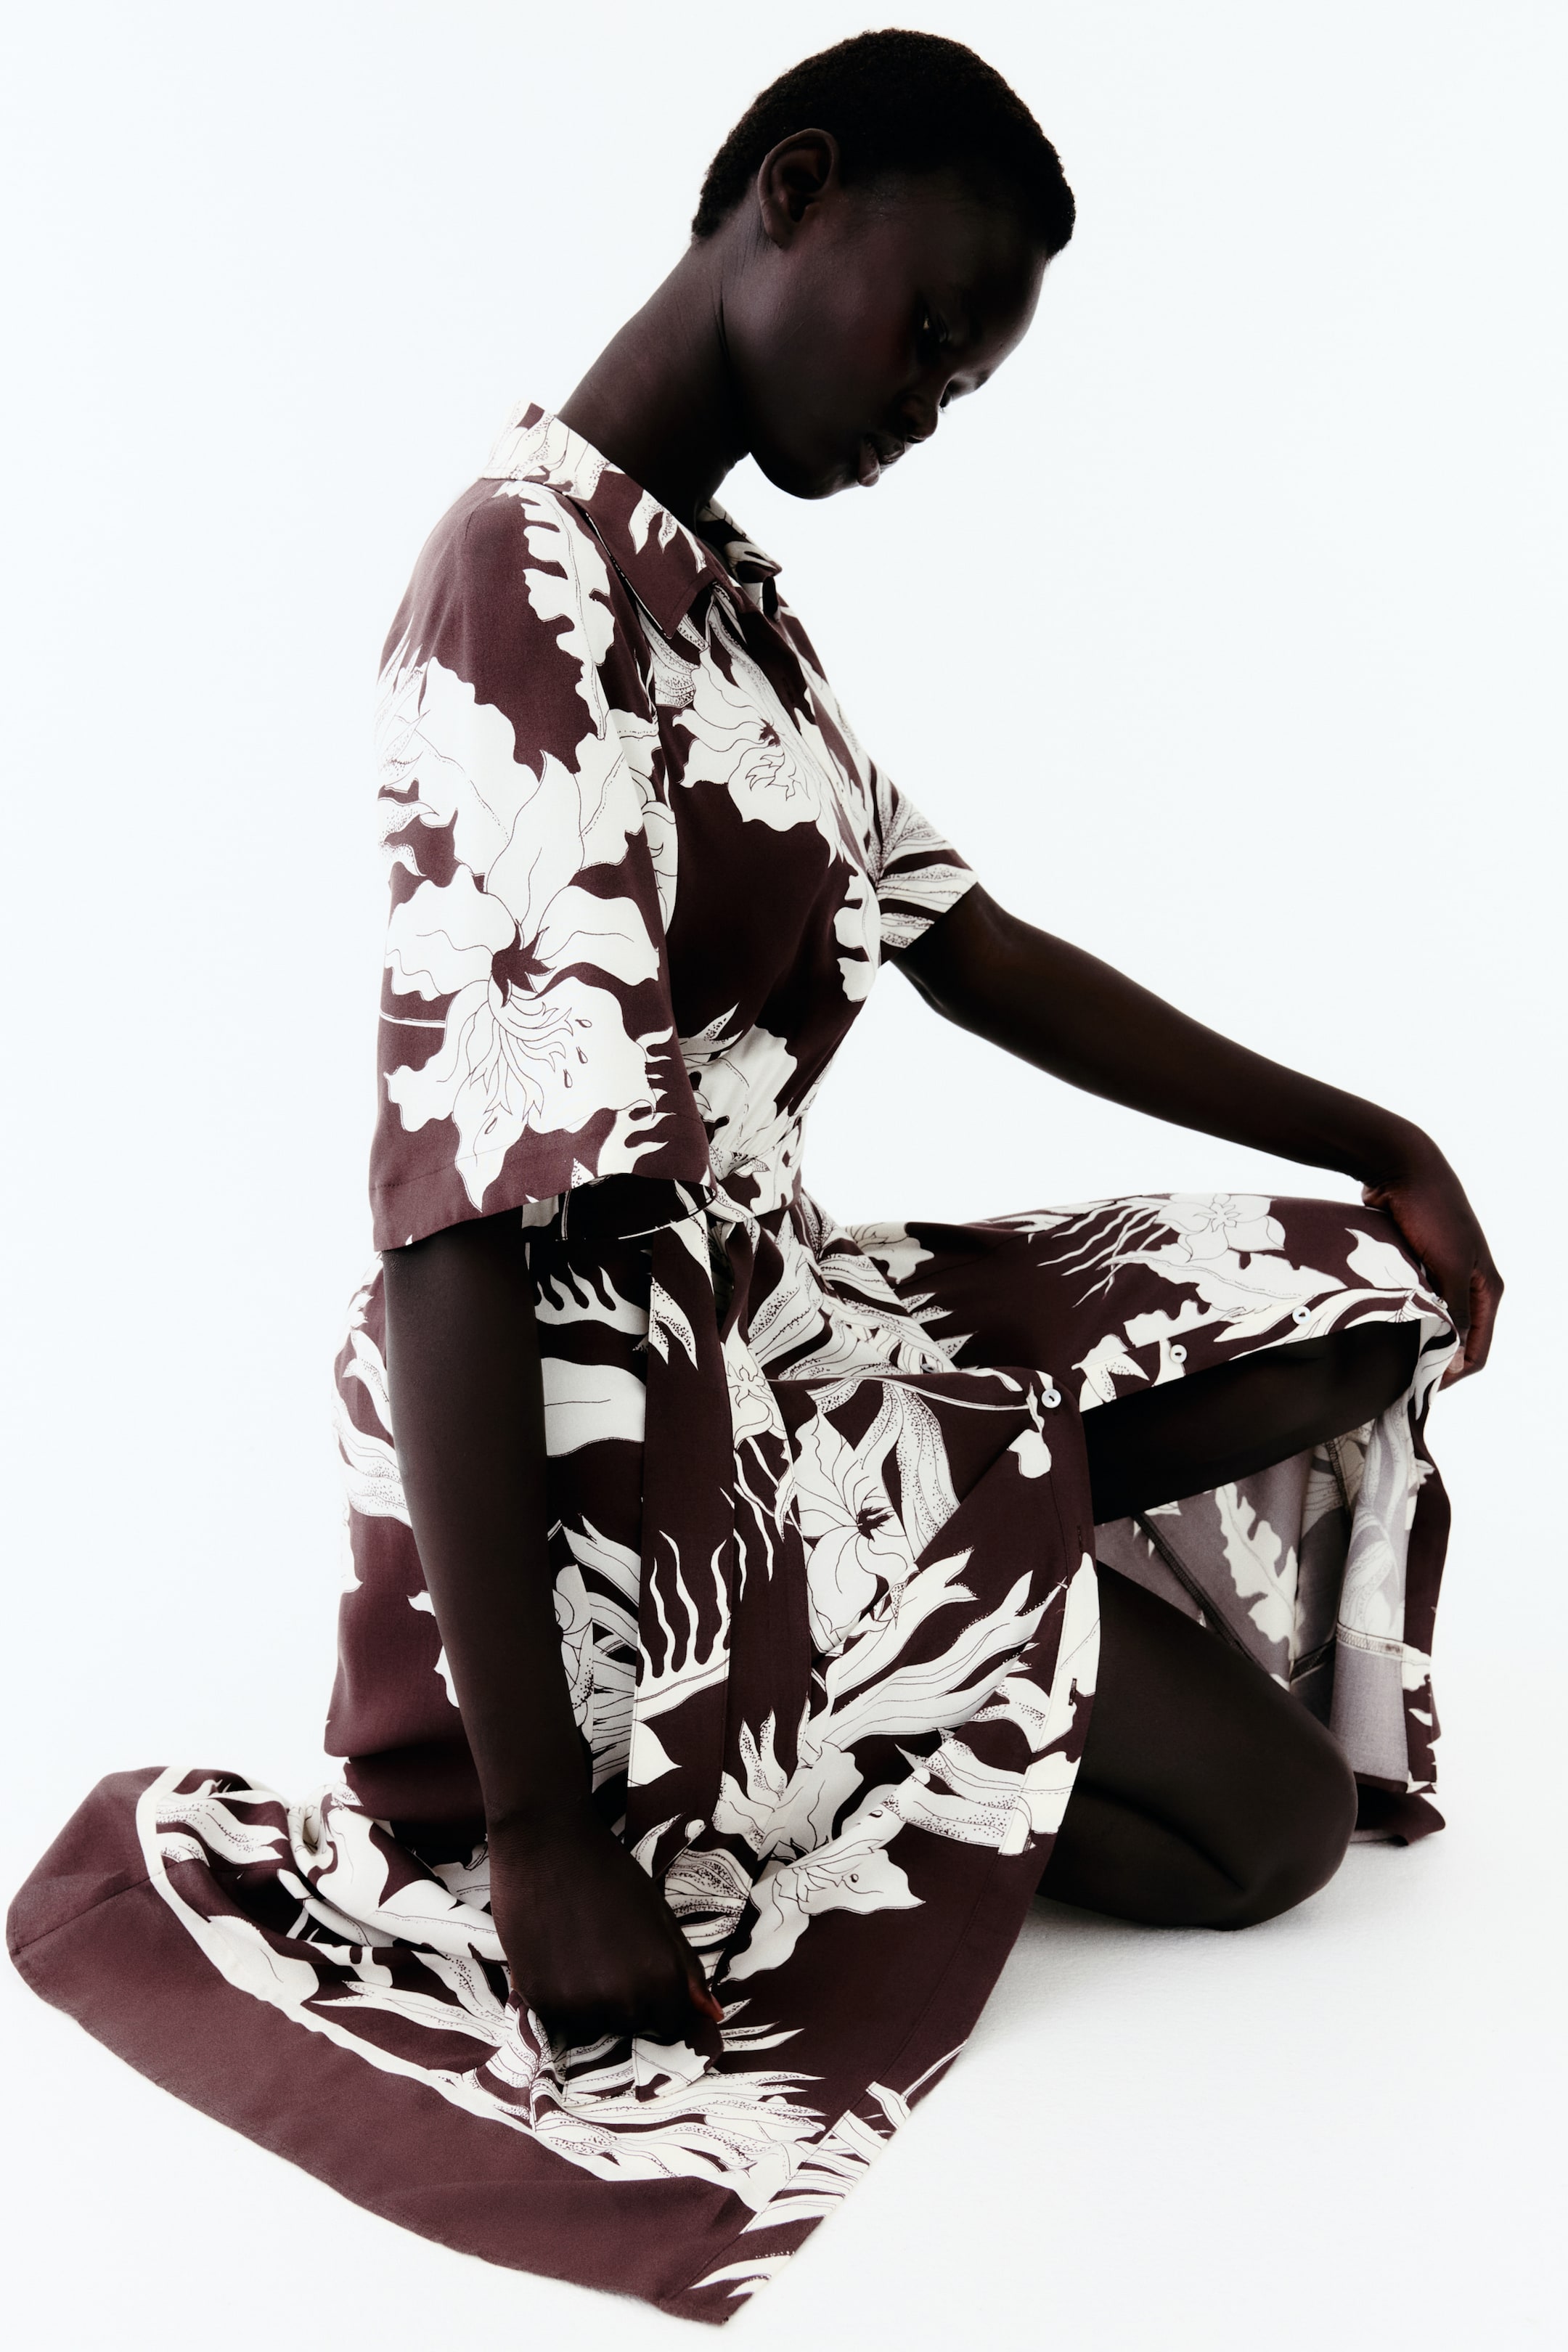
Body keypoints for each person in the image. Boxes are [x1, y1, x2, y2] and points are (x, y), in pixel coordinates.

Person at [9, 28, 1500, 2325]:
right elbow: (451, 1226)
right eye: (931, 333)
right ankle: (791, 1708)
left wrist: (1376, 1135)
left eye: (967, 386)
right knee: (1274, 1829)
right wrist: (538, 1838)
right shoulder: (519, 583)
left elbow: (974, 945)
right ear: (792, 192)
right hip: (606, 1446)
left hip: (778, 1332)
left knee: (1352, 1312)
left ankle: (934, 1589)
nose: (928, 410)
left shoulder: (723, 601)